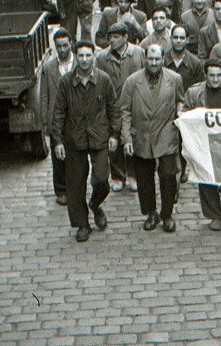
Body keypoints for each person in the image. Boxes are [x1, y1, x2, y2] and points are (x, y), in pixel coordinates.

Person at [50, 41, 120, 242]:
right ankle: (82, 223)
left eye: (88, 55)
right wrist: (58, 141)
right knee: (75, 183)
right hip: (75, 138)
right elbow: (58, 113)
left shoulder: (103, 80)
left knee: (100, 179)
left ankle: (96, 204)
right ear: (76, 56)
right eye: (80, 56)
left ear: (93, 56)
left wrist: (114, 135)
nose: (84, 60)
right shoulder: (66, 82)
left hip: (99, 136)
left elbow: (113, 108)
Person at [120, 44, 185, 233]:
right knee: (144, 177)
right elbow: (124, 109)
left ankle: (167, 214)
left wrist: (180, 109)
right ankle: (150, 212)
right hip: (141, 134)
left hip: (166, 131)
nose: (154, 63)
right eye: (150, 59)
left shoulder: (174, 79)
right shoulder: (133, 81)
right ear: (145, 59)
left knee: (167, 175)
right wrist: (127, 138)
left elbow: (181, 100)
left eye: (157, 59)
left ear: (163, 59)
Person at [182, 60, 221, 231]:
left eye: (219, 75)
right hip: (203, 142)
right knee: (206, 176)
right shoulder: (194, 92)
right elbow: (184, 113)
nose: (215, 79)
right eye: (212, 76)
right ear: (206, 75)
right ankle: (214, 214)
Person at [95, 23, 146, 193]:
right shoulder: (102, 57)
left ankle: (133, 175)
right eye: (110, 37)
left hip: (134, 103)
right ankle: (117, 176)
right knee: (113, 140)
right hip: (112, 105)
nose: (112, 41)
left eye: (116, 37)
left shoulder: (138, 52)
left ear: (125, 37)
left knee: (133, 139)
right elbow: (98, 80)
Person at [39, 29, 75, 205]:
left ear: (71, 44)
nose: (61, 49)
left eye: (65, 45)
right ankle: (61, 190)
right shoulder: (48, 68)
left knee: (76, 155)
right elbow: (44, 95)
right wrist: (45, 121)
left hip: (76, 118)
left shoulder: (80, 64)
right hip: (57, 118)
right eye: (58, 46)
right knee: (58, 156)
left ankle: (76, 187)